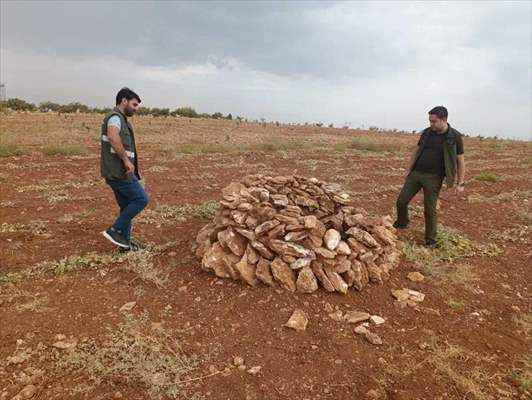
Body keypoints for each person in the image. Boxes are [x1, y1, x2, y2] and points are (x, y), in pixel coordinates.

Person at [394, 106, 465, 247]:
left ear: (444, 120)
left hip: (434, 177)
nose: (431, 124)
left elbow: (460, 160)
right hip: (416, 173)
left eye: (433, 121)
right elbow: (417, 150)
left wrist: (460, 182)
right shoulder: (427, 132)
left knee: (429, 209)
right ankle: (402, 223)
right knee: (401, 201)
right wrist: (409, 169)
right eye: (430, 121)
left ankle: (430, 240)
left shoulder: (454, 136)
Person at [100, 87, 149, 250]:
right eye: (134, 105)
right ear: (124, 101)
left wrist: (135, 170)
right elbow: (113, 136)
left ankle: (124, 244)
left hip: (121, 172)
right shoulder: (115, 118)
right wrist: (126, 161)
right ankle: (115, 230)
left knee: (126, 206)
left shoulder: (121, 119)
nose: (136, 109)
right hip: (119, 172)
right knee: (141, 199)